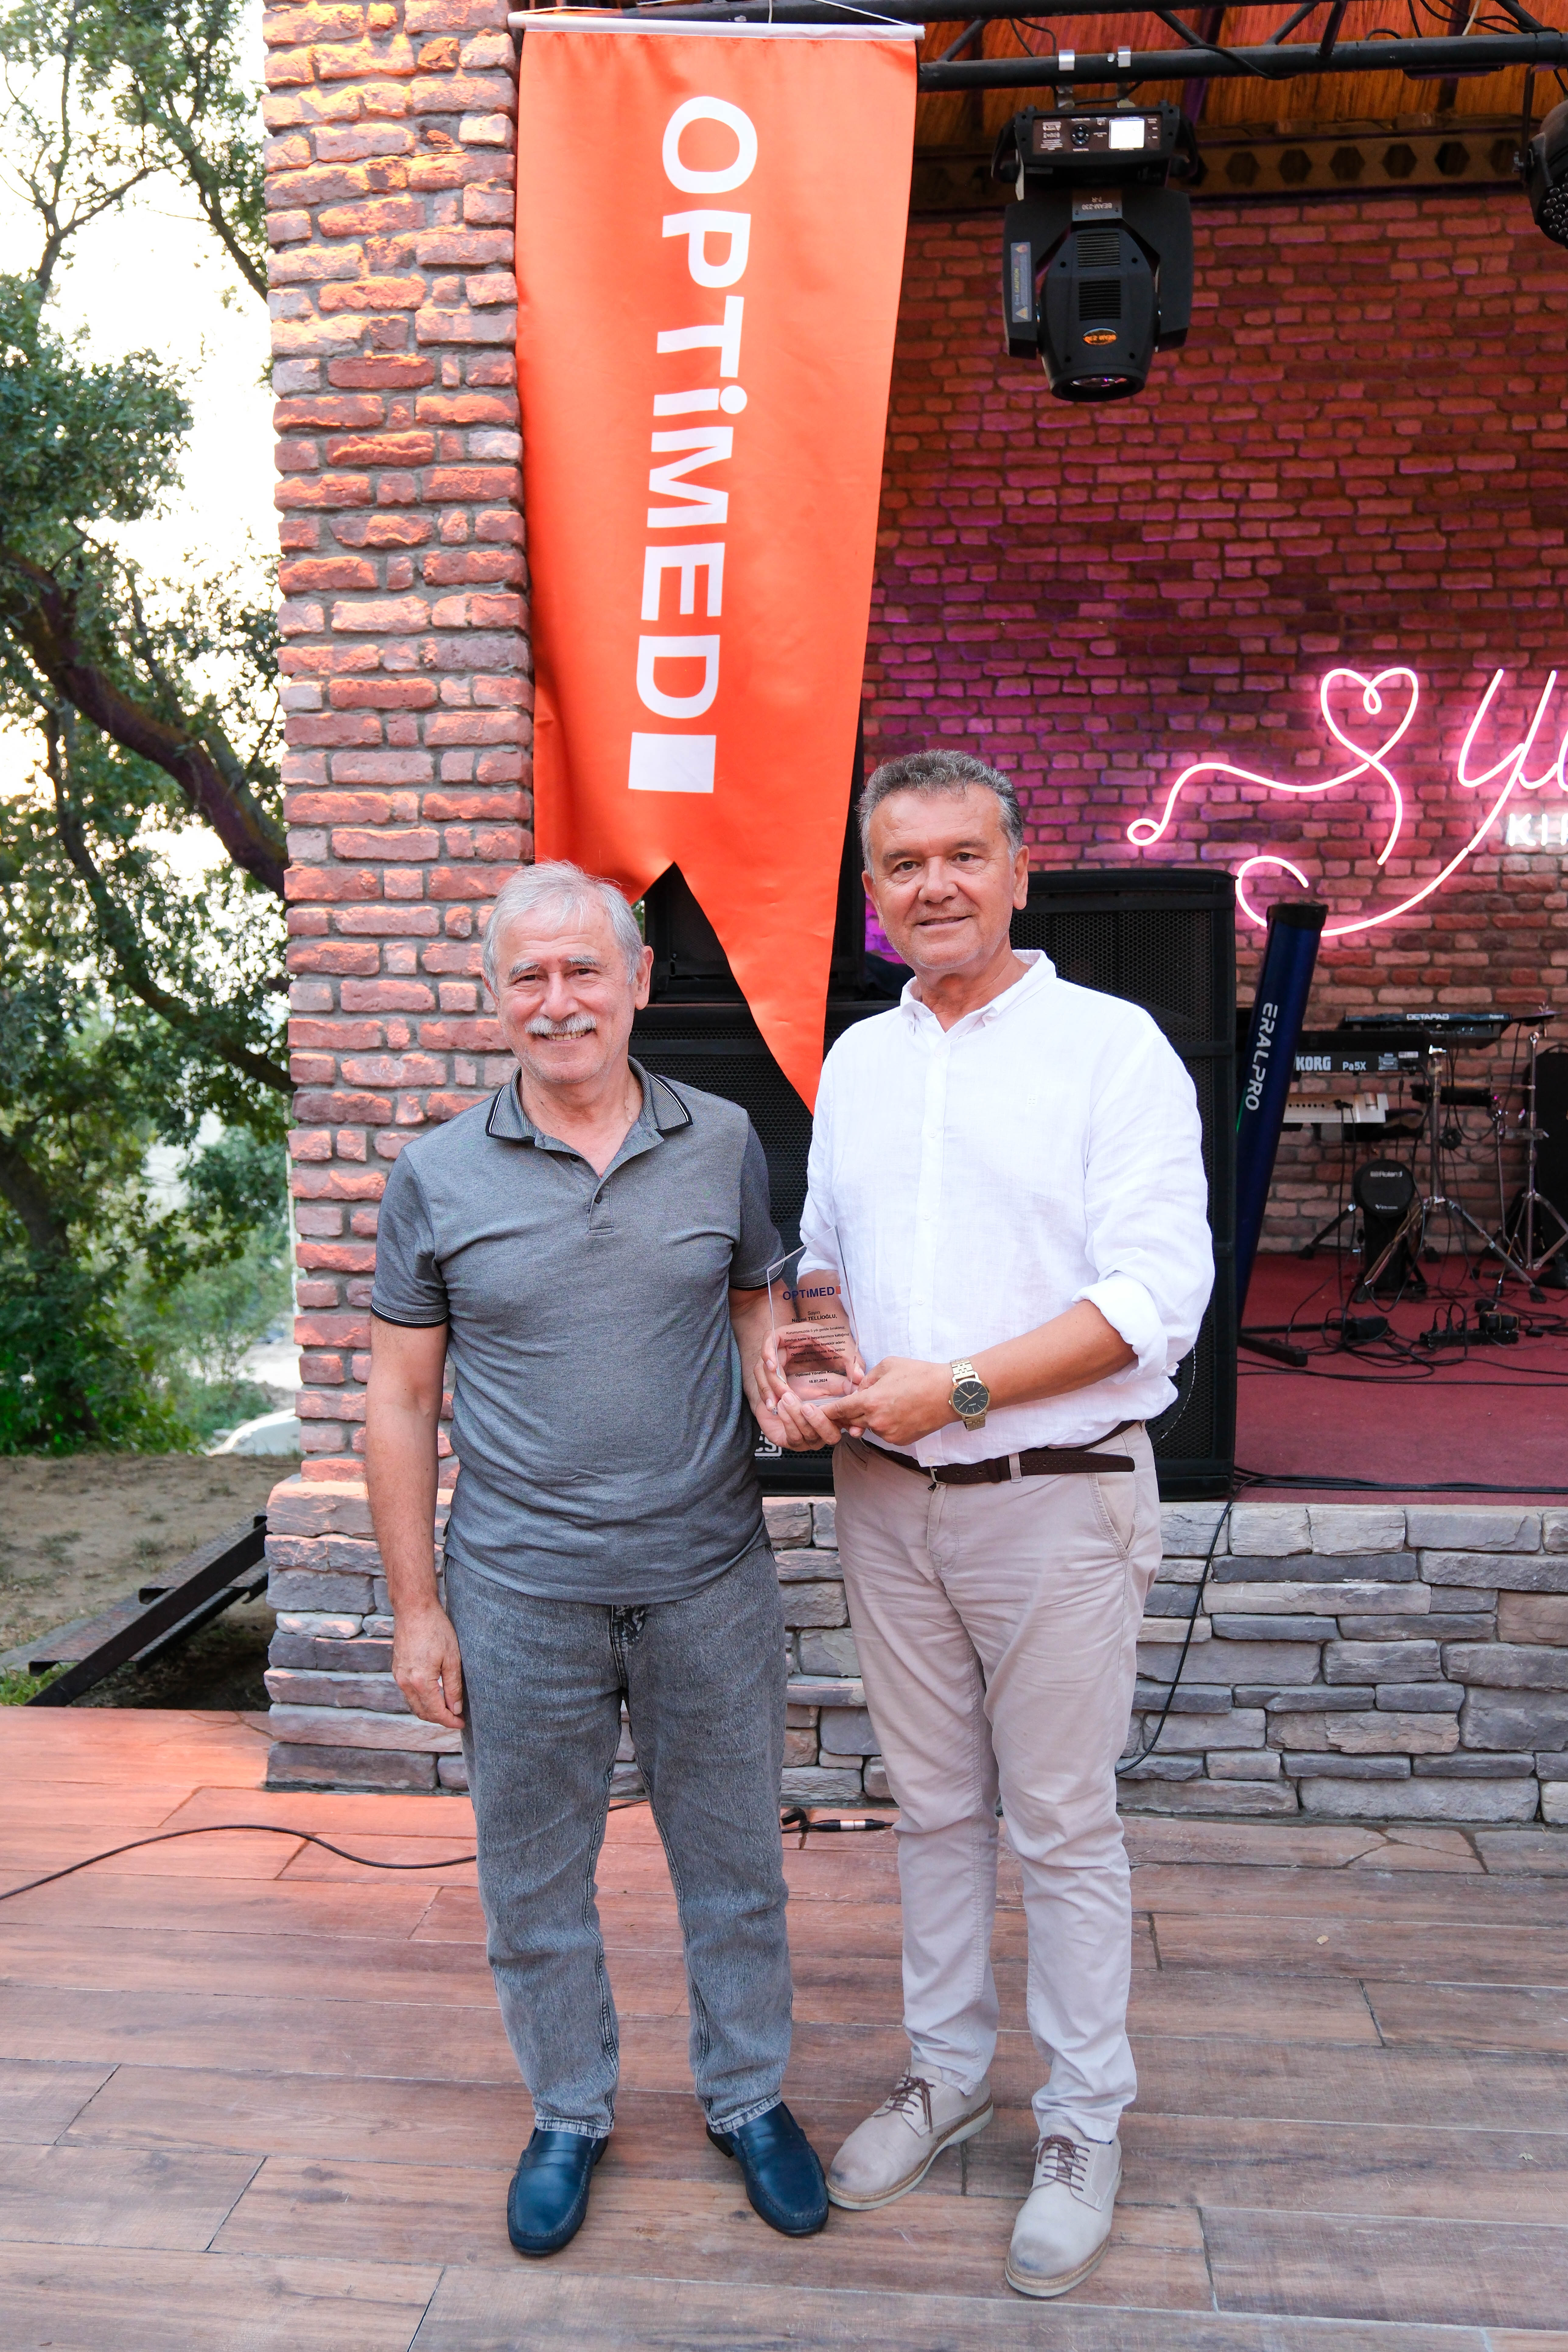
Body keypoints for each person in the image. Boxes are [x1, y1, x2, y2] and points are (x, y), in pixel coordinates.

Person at [764, 751, 1213, 2300]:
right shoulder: (860, 1061)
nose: (935, 885)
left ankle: (1082, 2125)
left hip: (1057, 1498)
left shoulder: (1112, 1049)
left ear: (1020, 872)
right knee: (935, 1814)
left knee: (1063, 1827)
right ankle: (948, 2076)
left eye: (964, 854)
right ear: (872, 897)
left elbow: (1152, 1299)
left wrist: (951, 1388)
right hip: (886, 1503)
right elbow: (826, 1256)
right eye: (903, 864)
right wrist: (814, 1353)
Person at [365, 859, 828, 2258]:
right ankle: (568, 2110)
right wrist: (416, 1612)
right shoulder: (436, 1176)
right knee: (532, 1883)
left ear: (638, 981)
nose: (558, 1001)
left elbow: (748, 1297)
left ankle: (747, 2098)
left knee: (736, 1868)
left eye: (584, 970)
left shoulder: (723, 1139)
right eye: (529, 977)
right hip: (518, 1595)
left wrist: (780, 1374)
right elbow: (399, 1402)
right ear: (495, 997)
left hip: (708, 1578)